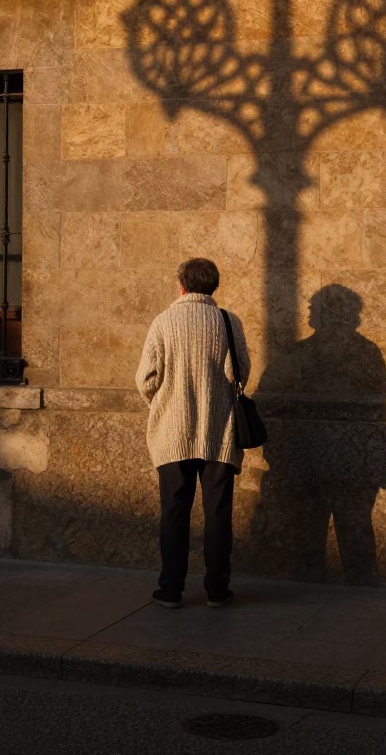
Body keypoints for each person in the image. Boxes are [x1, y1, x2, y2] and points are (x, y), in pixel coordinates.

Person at [136, 257, 250, 610]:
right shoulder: (229, 322)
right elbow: (242, 371)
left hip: (172, 432)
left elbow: (146, 379)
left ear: (181, 285)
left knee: (173, 512)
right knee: (218, 513)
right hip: (220, 432)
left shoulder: (163, 322)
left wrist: (165, 402)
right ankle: (217, 590)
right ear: (213, 286)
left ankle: (170, 589)